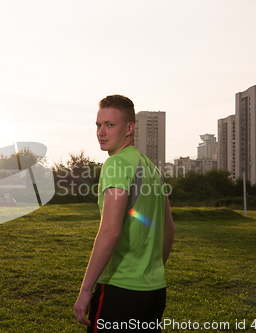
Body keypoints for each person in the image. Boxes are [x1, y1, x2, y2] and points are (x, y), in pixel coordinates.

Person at [74, 95, 176, 332]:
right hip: (153, 292)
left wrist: (86, 289)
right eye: (98, 125)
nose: (101, 132)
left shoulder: (116, 164)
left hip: (120, 290)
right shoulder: (151, 169)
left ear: (129, 128)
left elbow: (110, 231)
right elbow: (169, 229)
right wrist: (149, 270)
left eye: (110, 125)